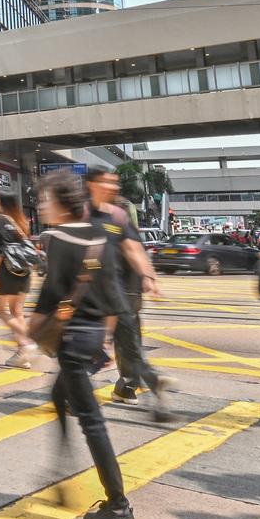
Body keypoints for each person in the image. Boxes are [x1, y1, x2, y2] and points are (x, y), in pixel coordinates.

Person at [33, 171, 140, 519]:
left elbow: (48, 299)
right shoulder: (99, 235)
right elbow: (114, 298)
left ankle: (119, 510)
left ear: (63, 203)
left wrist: (33, 337)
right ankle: (58, 472)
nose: (41, 204)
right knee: (57, 397)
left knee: (93, 425)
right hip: (91, 338)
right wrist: (102, 342)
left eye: (45, 198)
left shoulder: (58, 239)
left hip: (73, 342)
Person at [87, 170, 175, 420]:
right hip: (103, 291)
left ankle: (80, 392)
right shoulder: (84, 213)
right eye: (106, 182)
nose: (112, 187)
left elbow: (134, 248)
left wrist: (148, 276)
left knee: (102, 344)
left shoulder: (117, 215)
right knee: (127, 345)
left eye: (114, 183)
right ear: (91, 184)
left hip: (118, 292)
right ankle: (141, 385)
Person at [0, 191, 38, 370]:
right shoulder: (21, 220)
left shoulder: (0, 220)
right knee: (17, 311)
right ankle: (22, 356)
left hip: (8, 270)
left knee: (1, 311)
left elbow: (0, 249)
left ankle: (27, 343)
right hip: (24, 271)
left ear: (1, 202)